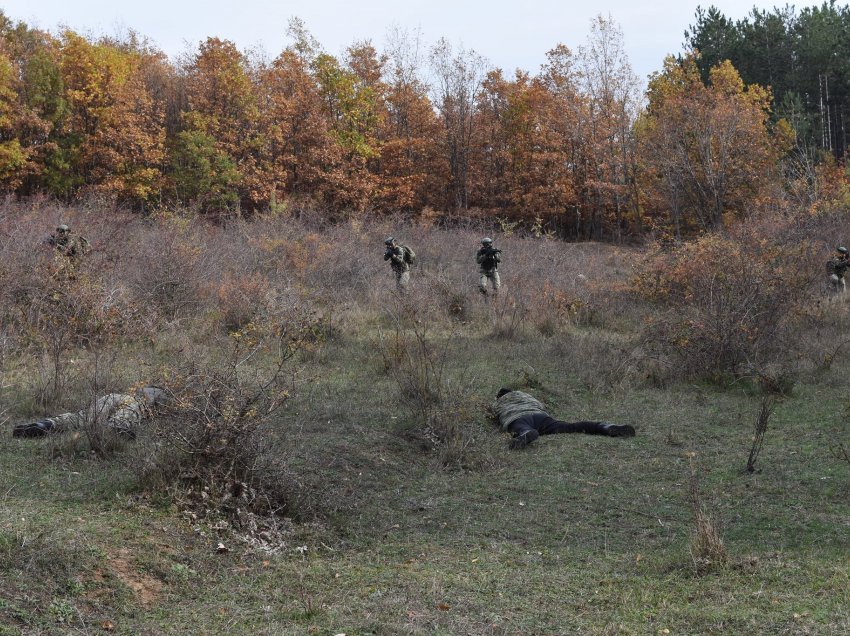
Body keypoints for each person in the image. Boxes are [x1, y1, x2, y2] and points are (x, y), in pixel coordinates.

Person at [491, 388, 635, 449]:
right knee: (570, 427)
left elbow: (495, 414)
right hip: (541, 416)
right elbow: (539, 404)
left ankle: (525, 434)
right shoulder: (525, 395)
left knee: (522, 428)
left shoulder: (501, 401)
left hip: (519, 417)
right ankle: (604, 426)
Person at [12, 386, 170, 439]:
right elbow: (156, 408)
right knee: (127, 415)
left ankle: (47, 424)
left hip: (112, 396)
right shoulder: (158, 394)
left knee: (84, 418)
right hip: (129, 402)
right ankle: (117, 427)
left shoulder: (137, 389)